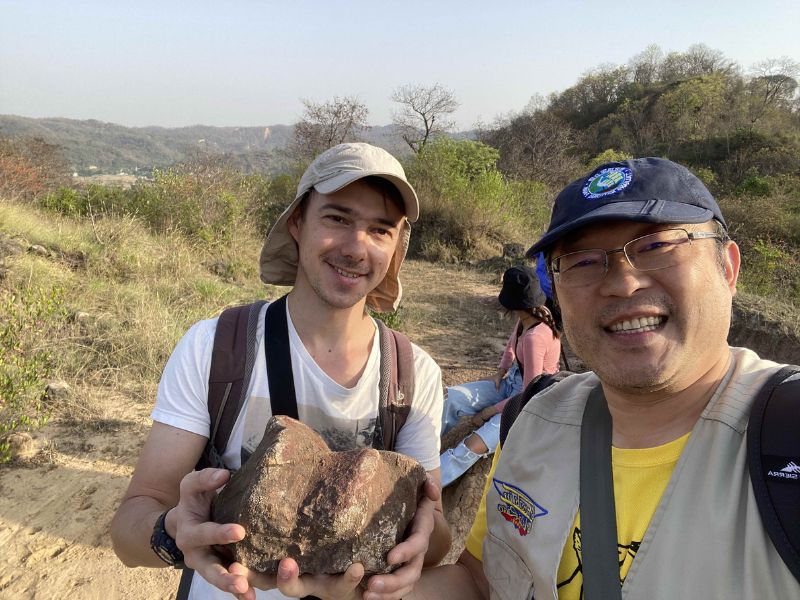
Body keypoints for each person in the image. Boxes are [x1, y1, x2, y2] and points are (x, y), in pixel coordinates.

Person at [319, 156, 800, 600]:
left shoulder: (784, 439)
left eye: (657, 246)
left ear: (728, 266)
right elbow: (479, 581)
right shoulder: (537, 420)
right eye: (583, 261)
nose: (621, 282)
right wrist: (358, 591)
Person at [110, 142, 451, 600]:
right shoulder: (216, 347)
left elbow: (437, 530)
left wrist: (420, 543)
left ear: (396, 247)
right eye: (337, 218)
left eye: (380, 230)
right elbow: (131, 526)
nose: (356, 247)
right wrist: (174, 532)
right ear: (297, 223)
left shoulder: (413, 374)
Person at [439, 265, 561, 487]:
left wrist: (489, 412)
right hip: (512, 383)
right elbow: (511, 348)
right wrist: (501, 371)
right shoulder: (527, 319)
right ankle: (422, 449)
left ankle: (429, 483)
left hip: (529, 402)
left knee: (471, 446)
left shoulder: (536, 337)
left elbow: (528, 392)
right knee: (451, 397)